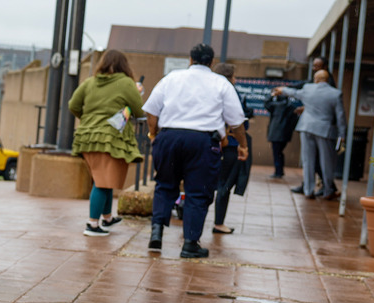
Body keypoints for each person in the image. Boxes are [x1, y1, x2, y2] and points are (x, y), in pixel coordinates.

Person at [142, 43, 247, 258]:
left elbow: (151, 112)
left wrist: (154, 135)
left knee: (164, 185)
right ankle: (190, 244)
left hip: (169, 137)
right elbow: (236, 122)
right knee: (197, 192)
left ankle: (157, 233)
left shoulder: (171, 78)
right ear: (211, 62)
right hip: (203, 141)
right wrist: (243, 146)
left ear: (190, 59)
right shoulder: (221, 83)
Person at [68, 49, 144, 237]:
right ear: (123, 65)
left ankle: (108, 218)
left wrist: (88, 120)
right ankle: (92, 224)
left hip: (86, 136)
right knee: (102, 182)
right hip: (109, 137)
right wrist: (137, 92)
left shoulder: (90, 82)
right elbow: (139, 111)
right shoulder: (126, 83)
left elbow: (73, 105)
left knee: (103, 178)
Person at [274, 69, 347, 201]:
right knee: (326, 162)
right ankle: (328, 190)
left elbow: (295, 93)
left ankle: (308, 190)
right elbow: (340, 117)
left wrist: (282, 89)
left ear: (317, 79)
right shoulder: (335, 94)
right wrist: (342, 134)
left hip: (306, 127)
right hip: (324, 130)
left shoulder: (308, 88)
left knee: (308, 161)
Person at [211, 63, 252, 235]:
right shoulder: (231, 93)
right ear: (229, 78)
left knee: (199, 184)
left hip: (208, 142)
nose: (235, 80)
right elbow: (240, 122)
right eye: (234, 77)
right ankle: (219, 223)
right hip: (230, 145)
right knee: (225, 185)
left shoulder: (209, 91)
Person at [290, 56, 337, 195]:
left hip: (323, 128)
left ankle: (328, 187)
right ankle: (308, 186)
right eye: (314, 65)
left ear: (325, 68)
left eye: (317, 66)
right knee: (310, 160)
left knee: (319, 161)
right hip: (311, 127)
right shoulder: (313, 80)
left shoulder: (328, 83)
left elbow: (324, 104)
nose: (314, 68)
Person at [264, 93, 300, 178]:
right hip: (286, 134)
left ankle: (278, 171)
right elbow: (295, 121)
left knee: (277, 153)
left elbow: (266, 103)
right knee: (279, 152)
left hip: (275, 133)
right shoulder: (292, 107)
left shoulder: (276, 106)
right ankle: (279, 170)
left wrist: (272, 95)